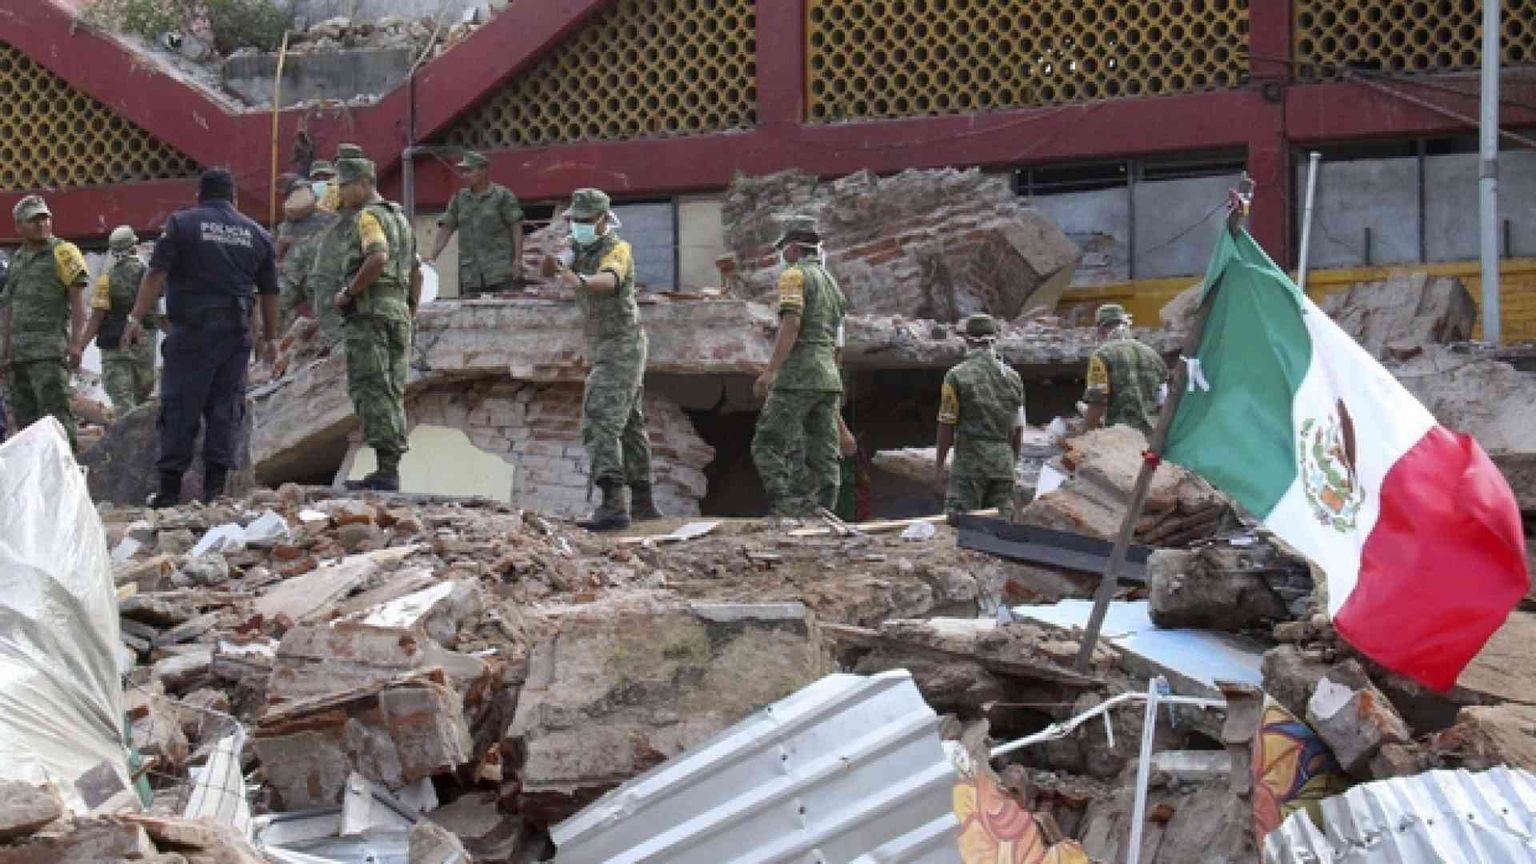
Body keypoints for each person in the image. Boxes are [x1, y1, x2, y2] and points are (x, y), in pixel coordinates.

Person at [124, 168, 279, 507]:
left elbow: (157, 274)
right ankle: (214, 491)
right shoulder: (257, 233)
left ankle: (168, 492)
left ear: (200, 195)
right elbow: (270, 292)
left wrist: (136, 316)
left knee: (181, 405)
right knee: (225, 407)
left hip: (193, 330)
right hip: (236, 332)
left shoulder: (183, 224)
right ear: (233, 198)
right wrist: (271, 339)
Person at [549, 188, 658, 531]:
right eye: (574, 220)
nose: (578, 225)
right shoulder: (577, 245)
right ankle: (643, 503)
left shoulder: (617, 249)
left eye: (584, 221)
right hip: (607, 346)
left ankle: (613, 505)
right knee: (628, 425)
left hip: (621, 346)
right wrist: (557, 259)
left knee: (599, 420)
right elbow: (549, 268)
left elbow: (609, 281)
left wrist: (578, 278)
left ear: (601, 220)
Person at [328, 155, 421, 492]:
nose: (341, 193)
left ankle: (385, 470)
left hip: (369, 314)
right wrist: (409, 309)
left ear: (365, 183)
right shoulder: (402, 220)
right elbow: (416, 270)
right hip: (397, 312)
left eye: (346, 186)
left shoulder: (368, 217)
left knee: (371, 388)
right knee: (393, 388)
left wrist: (348, 293)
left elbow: (378, 257)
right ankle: (390, 466)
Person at [751, 215, 848, 518]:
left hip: (798, 375)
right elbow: (836, 341)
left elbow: (791, 323)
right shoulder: (833, 285)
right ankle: (825, 509)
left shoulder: (794, 276)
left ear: (793, 249)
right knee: (823, 450)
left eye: (784, 250)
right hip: (828, 377)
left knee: (767, 443)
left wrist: (771, 371)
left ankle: (787, 506)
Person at [0, 195, 88, 449]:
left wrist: (76, 344)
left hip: (48, 352)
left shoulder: (64, 252)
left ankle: (67, 477)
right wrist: (4, 351)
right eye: (33, 220)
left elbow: (77, 301)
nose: (42, 224)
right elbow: (7, 306)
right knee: (26, 427)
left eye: (45, 218)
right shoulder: (17, 259)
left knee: (56, 420)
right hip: (18, 356)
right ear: (19, 226)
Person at [934, 314, 1026, 515]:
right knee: (999, 532)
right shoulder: (1013, 377)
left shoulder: (956, 375)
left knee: (961, 527)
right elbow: (1018, 428)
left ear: (967, 340)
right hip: (1003, 465)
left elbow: (946, 424)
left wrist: (940, 465)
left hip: (970, 466)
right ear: (996, 339)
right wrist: (1012, 463)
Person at [76, 225, 157, 420]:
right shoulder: (150, 277)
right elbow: (159, 315)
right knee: (142, 403)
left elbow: (97, 316)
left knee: (123, 405)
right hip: (144, 347)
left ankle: (127, 444)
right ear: (134, 247)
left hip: (115, 348)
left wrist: (80, 347)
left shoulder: (106, 279)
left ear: (113, 251)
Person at [427, 150, 525, 296]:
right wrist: (432, 257)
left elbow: (516, 227)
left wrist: (517, 260)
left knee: (503, 311)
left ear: (483, 170)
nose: (465, 175)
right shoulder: (459, 199)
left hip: (500, 270)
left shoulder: (502, 196)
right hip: (471, 273)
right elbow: (446, 229)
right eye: (463, 171)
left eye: (469, 170)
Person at [306, 145, 368, 349]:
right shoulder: (368, 187)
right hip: (360, 254)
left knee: (326, 307)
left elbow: (321, 216)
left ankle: (337, 348)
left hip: (334, 256)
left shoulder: (336, 189)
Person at [1081, 303, 1168, 436]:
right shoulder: (1152, 354)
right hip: (1153, 436)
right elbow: (1163, 400)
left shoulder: (1101, 356)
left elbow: (1097, 401)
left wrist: (1085, 436)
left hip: (1123, 438)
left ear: (1101, 329)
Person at [275, 176, 339, 336]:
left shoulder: (289, 221)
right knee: (325, 322)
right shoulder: (332, 214)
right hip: (318, 274)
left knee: (276, 312)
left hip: (295, 274)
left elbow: (279, 250)